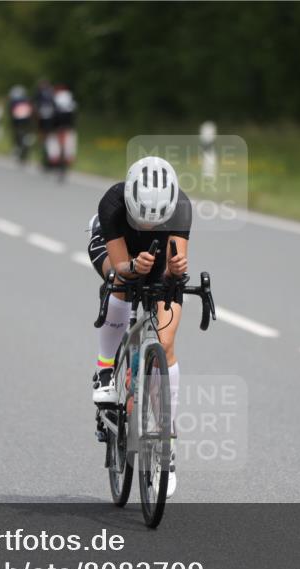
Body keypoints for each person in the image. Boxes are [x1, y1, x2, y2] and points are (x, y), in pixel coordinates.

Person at [88, 156, 191, 497]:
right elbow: (120, 266)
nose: (148, 227)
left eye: (154, 222)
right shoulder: (113, 204)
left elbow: (170, 275)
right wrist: (132, 266)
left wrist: (174, 270)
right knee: (118, 283)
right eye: (142, 220)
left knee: (166, 343)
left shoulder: (179, 208)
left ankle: (166, 442)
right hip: (115, 249)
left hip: (155, 258)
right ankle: (105, 369)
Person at [7, 85, 33, 164]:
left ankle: (19, 147)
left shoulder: (15, 101)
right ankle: (20, 147)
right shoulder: (26, 100)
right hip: (23, 121)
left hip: (21, 121)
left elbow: (10, 112)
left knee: (18, 133)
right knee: (20, 133)